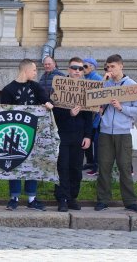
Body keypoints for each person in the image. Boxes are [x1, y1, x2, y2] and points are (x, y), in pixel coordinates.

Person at [1, 58, 53, 211]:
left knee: (32, 164)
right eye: (34, 70)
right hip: (14, 133)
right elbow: (3, 113)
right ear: (26, 70)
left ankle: (32, 198)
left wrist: (48, 104)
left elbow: (46, 101)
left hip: (33, 132)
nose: (36, 73)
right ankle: (14, 198)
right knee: (14, 162)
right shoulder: (8, 89)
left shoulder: (36, 87)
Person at [95, 54, 137, 213]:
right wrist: (103, 82)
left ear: (121, 66)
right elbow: (94, 103)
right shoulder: (105, 84)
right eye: (108, 67)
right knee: (104, 167)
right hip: (106, 131)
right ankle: (102, 200)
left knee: (124, 167)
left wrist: (122, 107)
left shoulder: (131, 85)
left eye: (113, 66)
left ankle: (130, 202)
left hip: (123, 132)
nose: (110, 70)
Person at [52, 57, 93, 212]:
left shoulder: (86, 88)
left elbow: (89, 116)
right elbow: (54, 113)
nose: (77, 71)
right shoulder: (60, 86)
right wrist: (69, 113)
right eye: (74, 68)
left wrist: (88, 136)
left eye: (80, 68)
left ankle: (72, 198)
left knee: (76, 168)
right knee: (62, 167)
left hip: (79, 136)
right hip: (63, 134)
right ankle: (62, 198)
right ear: (68, 69)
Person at [82, 57, 102, 175]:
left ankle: (97, 166)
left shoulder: (97, 79)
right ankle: (90, 162)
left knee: (96, 142)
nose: (83, 69)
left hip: (96, 117)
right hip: (89, 115)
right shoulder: (85, 78)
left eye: (85, 66)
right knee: (87, 139)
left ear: (92, 67)